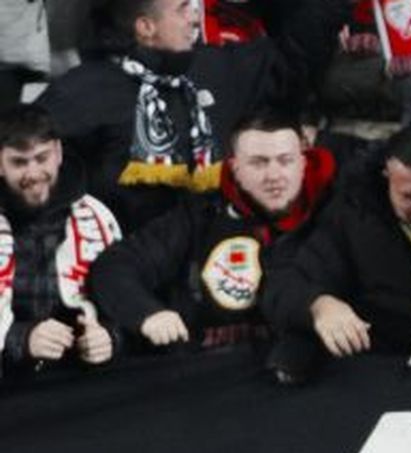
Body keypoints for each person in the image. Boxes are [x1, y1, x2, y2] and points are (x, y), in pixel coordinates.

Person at [38, 0, 345, 230]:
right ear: (146, 27)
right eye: (183, 8)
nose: (196, 17)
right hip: (123, 264)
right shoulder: (84, 90)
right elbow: (23, 155)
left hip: (223, 253)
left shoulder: (216, 69)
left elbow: (296, 55)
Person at [91, 107, 336, 366]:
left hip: (309, 373)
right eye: (258, 162)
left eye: (285, 160)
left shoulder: (335, 211)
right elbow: (116, 266)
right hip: (210, 372)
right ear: (235, 168)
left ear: (304, 161)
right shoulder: (201, 214)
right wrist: (147, 314)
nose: (273, 176)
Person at [264, 124, 411, 382]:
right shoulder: (357, 210)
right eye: (408, 197)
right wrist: (319, 306)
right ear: (387, 177)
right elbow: (286, 283)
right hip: (381, 364)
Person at [0, 104, 120, 381]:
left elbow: (125, 298)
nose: (34, 173)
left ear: (58, 153)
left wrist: (109, 338)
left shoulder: (96, 216)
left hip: (82, 382)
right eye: (19, 162)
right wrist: (22, 339)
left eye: (42, 158)